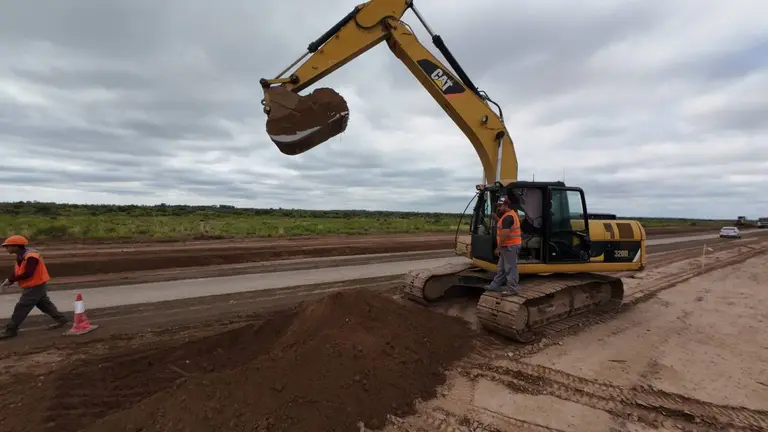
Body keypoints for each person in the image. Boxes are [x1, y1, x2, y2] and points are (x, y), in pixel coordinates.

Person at [0, 235, 68, 340]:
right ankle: (61, 319)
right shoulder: (21, 255)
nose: (6, 248)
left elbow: (28, 273)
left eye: (8, 246)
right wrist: (9, 280)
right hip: (34, 285)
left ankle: (11, 330)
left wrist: (12, 280)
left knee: (22, 306)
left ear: (16, 246)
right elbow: (19, 271)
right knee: (44, 304)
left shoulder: (31, 256)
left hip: (35, 285)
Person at [486, 195, 522, 295]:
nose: (498, 208)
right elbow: (504, 225)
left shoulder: (508, 217)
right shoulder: (508, 215)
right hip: (508, 246)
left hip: (510, 246)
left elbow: (504, 234)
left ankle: (513, 289)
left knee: (510, 268)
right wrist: (497, 218)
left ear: (506, 205)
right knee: (501, 268)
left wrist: (498, 248)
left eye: (500, 206)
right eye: (498, 206)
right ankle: (495, 285)